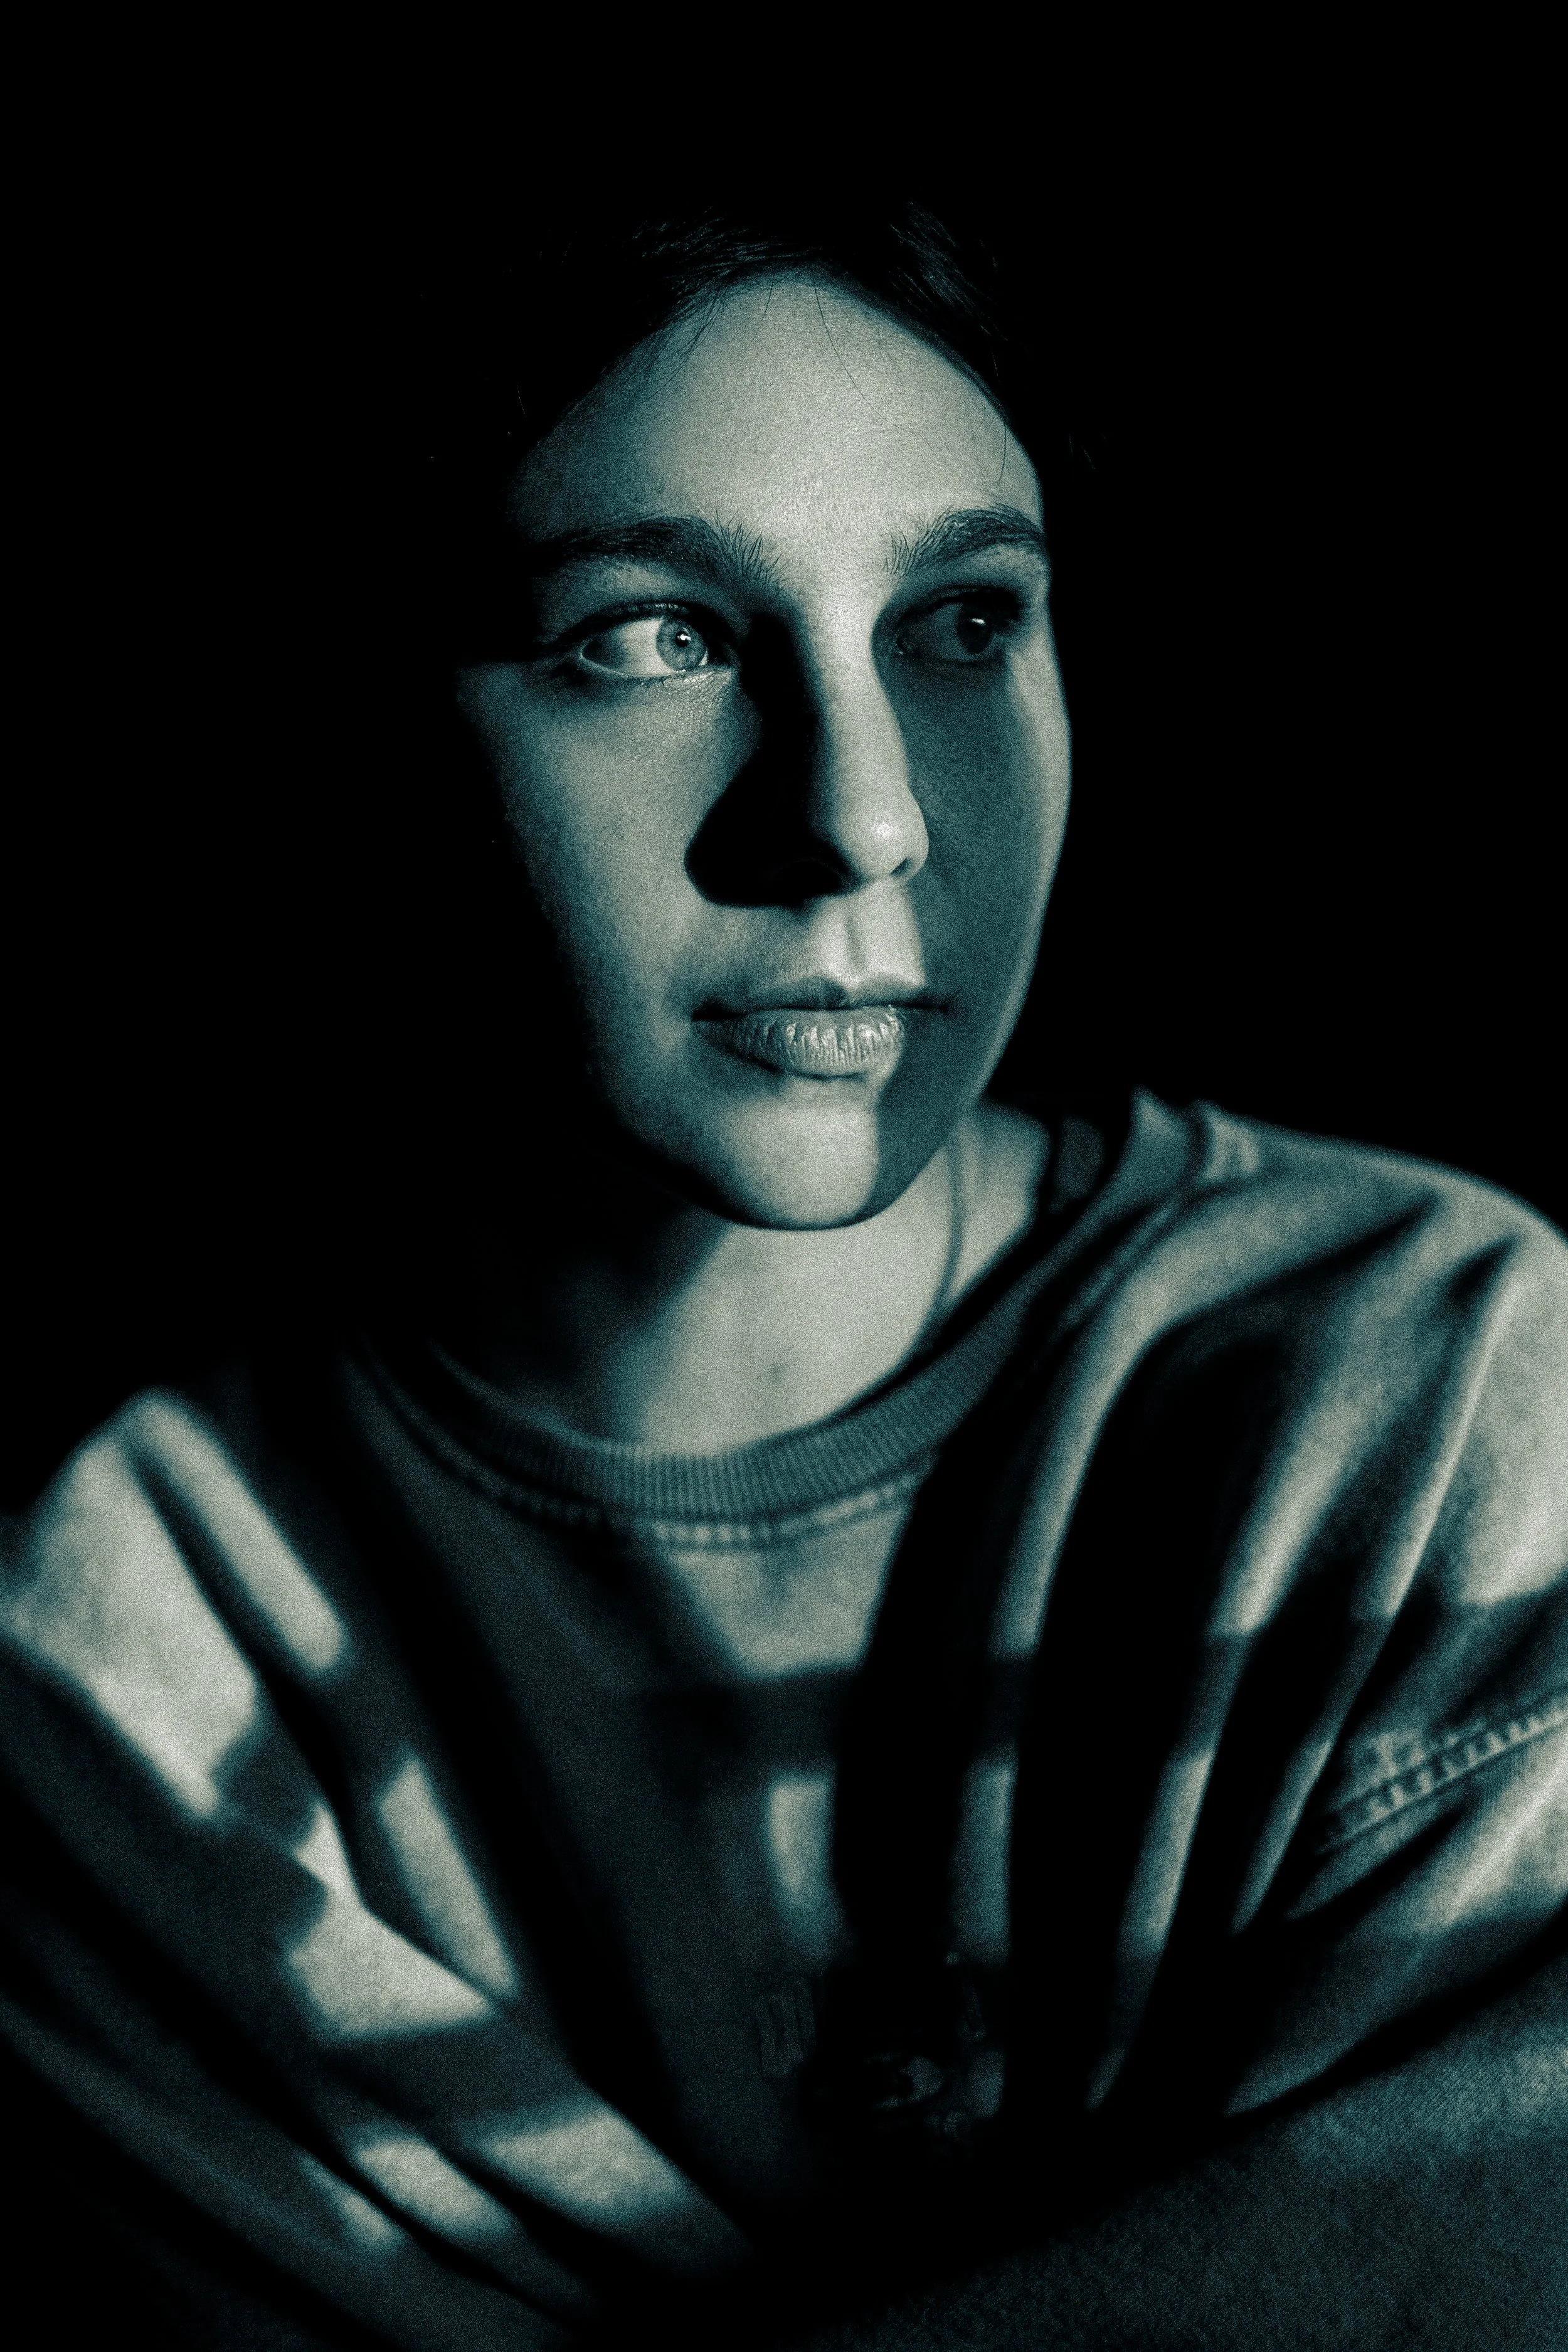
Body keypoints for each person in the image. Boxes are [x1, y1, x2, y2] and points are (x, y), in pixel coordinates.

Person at [2, 200, 1564, 2351]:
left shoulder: (1431, 1395)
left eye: (959, 620)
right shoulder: (126, 1631)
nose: (859, 818)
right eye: (648, 637)